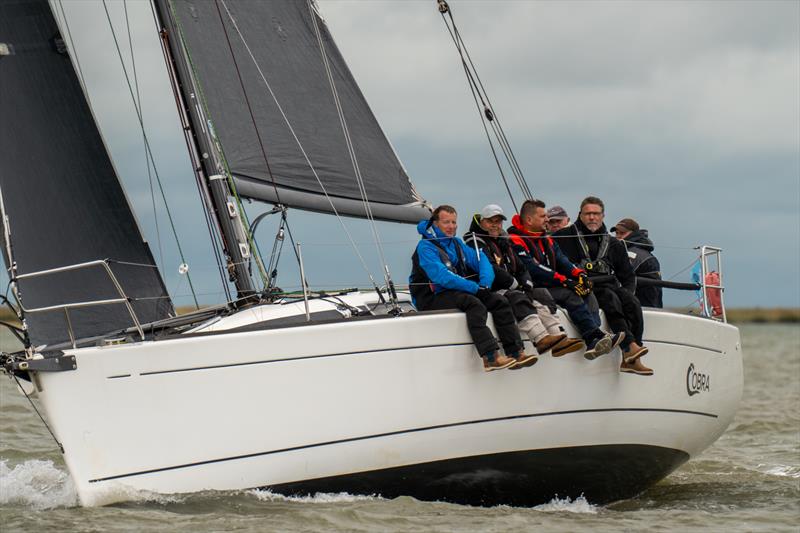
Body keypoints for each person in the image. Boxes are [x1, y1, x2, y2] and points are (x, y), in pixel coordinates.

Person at [409, 205, 537, 371]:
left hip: (456, 291)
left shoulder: (456, 243)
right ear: (435, 223)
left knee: (499, 300)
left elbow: (481, 260)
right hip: (430, 297)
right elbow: (443, 277)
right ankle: (490, 357)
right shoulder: (425, 247)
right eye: (446, 222)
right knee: (474, 303)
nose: (451, 226)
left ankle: (515, 353)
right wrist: (475, 288)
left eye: (454, 222)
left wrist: (484, 284)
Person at [464, 204, 584, 357]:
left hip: (512, 286)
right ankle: (540, 339)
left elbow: (521, 267)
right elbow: (492, 269)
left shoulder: (503, 241)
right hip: (493, 288)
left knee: (540, 294)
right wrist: (515, 284)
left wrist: (526, 283)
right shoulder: (475, 243)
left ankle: (558, 337)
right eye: (490, 221)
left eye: (498, 221)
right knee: (517, 297)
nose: (495, 225)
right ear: (482, 222)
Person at [507, 199, 620, 360]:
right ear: (529, 220)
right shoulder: (515, 239)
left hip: (551, 285)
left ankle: (594, 336)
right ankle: (593, 336)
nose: (547, 219)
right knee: (570, 294)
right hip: (532, 288)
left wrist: (580, 275)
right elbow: (533, 268)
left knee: (587, 291)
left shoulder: (546, 239)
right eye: (543, 216)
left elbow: (563, 261)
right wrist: (566, 281)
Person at [553, 197, 653, 376]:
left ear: (603, 216)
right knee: (610, 298)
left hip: (609, 284)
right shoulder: (563, 237)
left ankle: (632, 357)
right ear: (580, 215)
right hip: (584, 287)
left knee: (631, 302)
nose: (592, 217)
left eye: (596, 214)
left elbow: (628, 276)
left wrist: (627, 294)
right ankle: (629, 346)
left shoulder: (614, 244)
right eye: (588, 214)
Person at [612, 218, 663, 308]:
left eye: (622, 233)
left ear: (633, 234)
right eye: (617, 233)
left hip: (641, 308)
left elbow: (618, 276)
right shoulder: (646, 255)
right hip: (651, 308)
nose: (618, 236)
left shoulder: (632, 255)